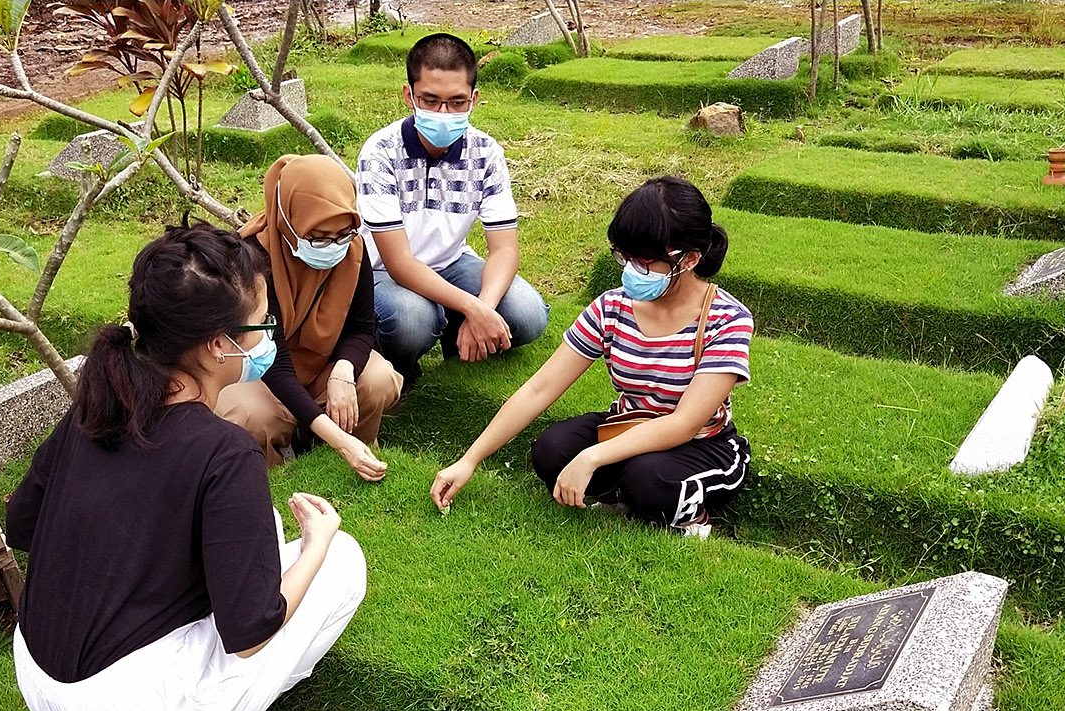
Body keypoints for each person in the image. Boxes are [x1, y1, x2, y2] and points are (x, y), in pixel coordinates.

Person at [5, 223, 366, 711]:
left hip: (39, 680)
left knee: (264, 533)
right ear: (219, 345)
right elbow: (250, 631)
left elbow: (22, 525)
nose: (270, 334)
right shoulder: (223, 451)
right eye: (261, 321)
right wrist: (316, 546)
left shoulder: (96, 406)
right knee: (341, 559)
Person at [431, 177, 753, 535]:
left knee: (649, 479)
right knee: (551, 450)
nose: (632, 270)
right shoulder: (612, 307)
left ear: (690, 259)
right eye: (624, 256)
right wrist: (470, 459)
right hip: (627, 424)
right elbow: (540, 388)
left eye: (645, 261)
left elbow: (685, 423)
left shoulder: (726, 319)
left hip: (703, 444)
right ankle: (622, 492)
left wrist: (593, 456)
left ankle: (691, 517)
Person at [356, 32, 549, 388]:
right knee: (412, 320)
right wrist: (473, 308)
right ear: (408, 95)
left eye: (457, 102)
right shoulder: (380, 152)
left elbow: (504, 248)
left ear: (474, 99)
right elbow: (398, 262)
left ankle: (458, 335)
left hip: (452, 263)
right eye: (430, 100)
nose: (444, 113)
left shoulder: (486, 152)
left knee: (528, 313)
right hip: (382, 270)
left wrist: (485, 308)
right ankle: (401, 362)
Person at [218, 154, 401, 481]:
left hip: (320, 363)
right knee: (250, 415)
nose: (333, 246)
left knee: (378, 379)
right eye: (318, 237)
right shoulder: (250, 261)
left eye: (343, 234)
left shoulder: (352, 249)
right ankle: (271, 474)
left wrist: (343, 371)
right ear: (288, 221)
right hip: (258, 371)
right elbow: (277, 362)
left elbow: (362, 327)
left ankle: (347, 455)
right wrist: (339, 438)